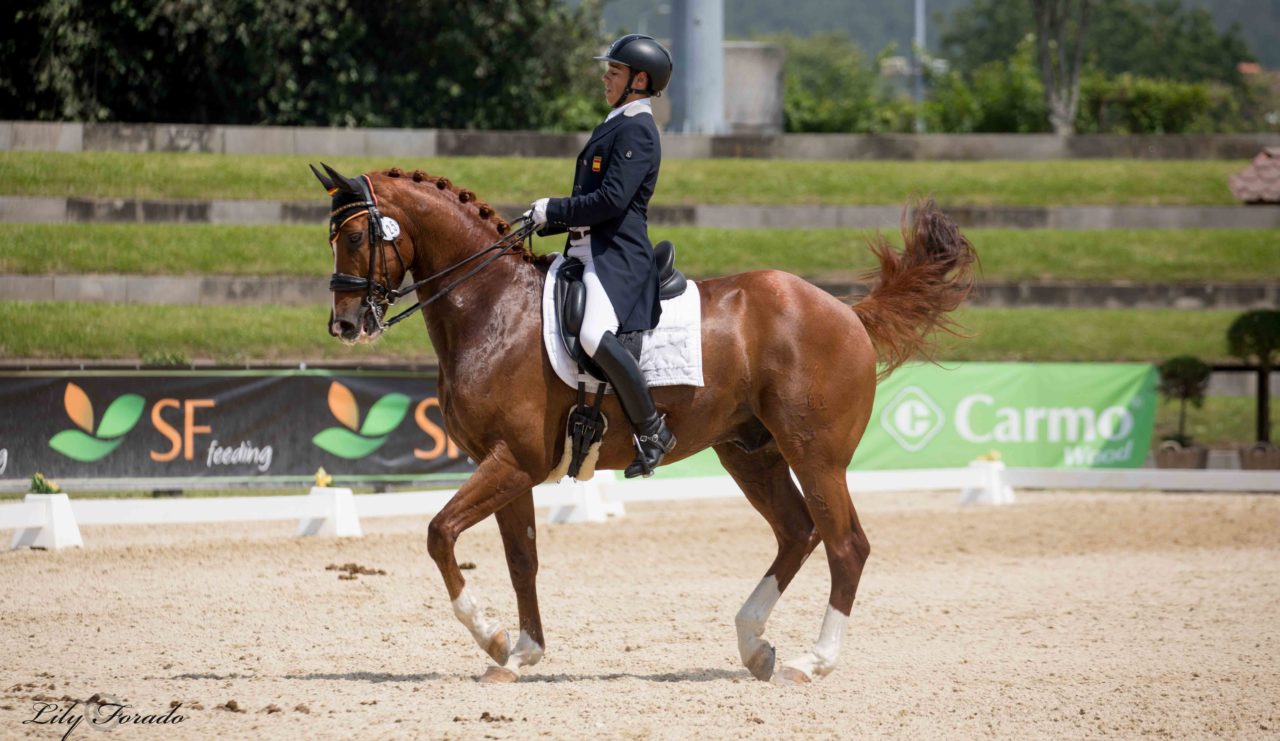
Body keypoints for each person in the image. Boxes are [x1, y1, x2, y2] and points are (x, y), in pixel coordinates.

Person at [525, 34, 676, 478]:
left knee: (592, 333)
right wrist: (545, 221)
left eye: (614, 72)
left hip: (617, 258)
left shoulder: (637, 129)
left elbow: (611, 201)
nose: (605, 78)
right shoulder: (615, 121)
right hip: (587, 249)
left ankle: (651, 429)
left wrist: (555, 209)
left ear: (639, 80)